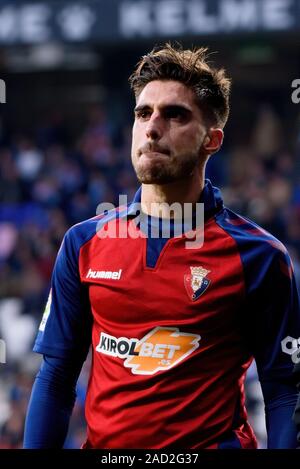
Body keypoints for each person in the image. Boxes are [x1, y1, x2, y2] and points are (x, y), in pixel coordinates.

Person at [24, 43, 300, 449]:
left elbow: (284, 391)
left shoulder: (259, 256)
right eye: (143, 113)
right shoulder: (83, 243)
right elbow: (55, 377)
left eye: (175, 115)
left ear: (212, 140)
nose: (152, 127)